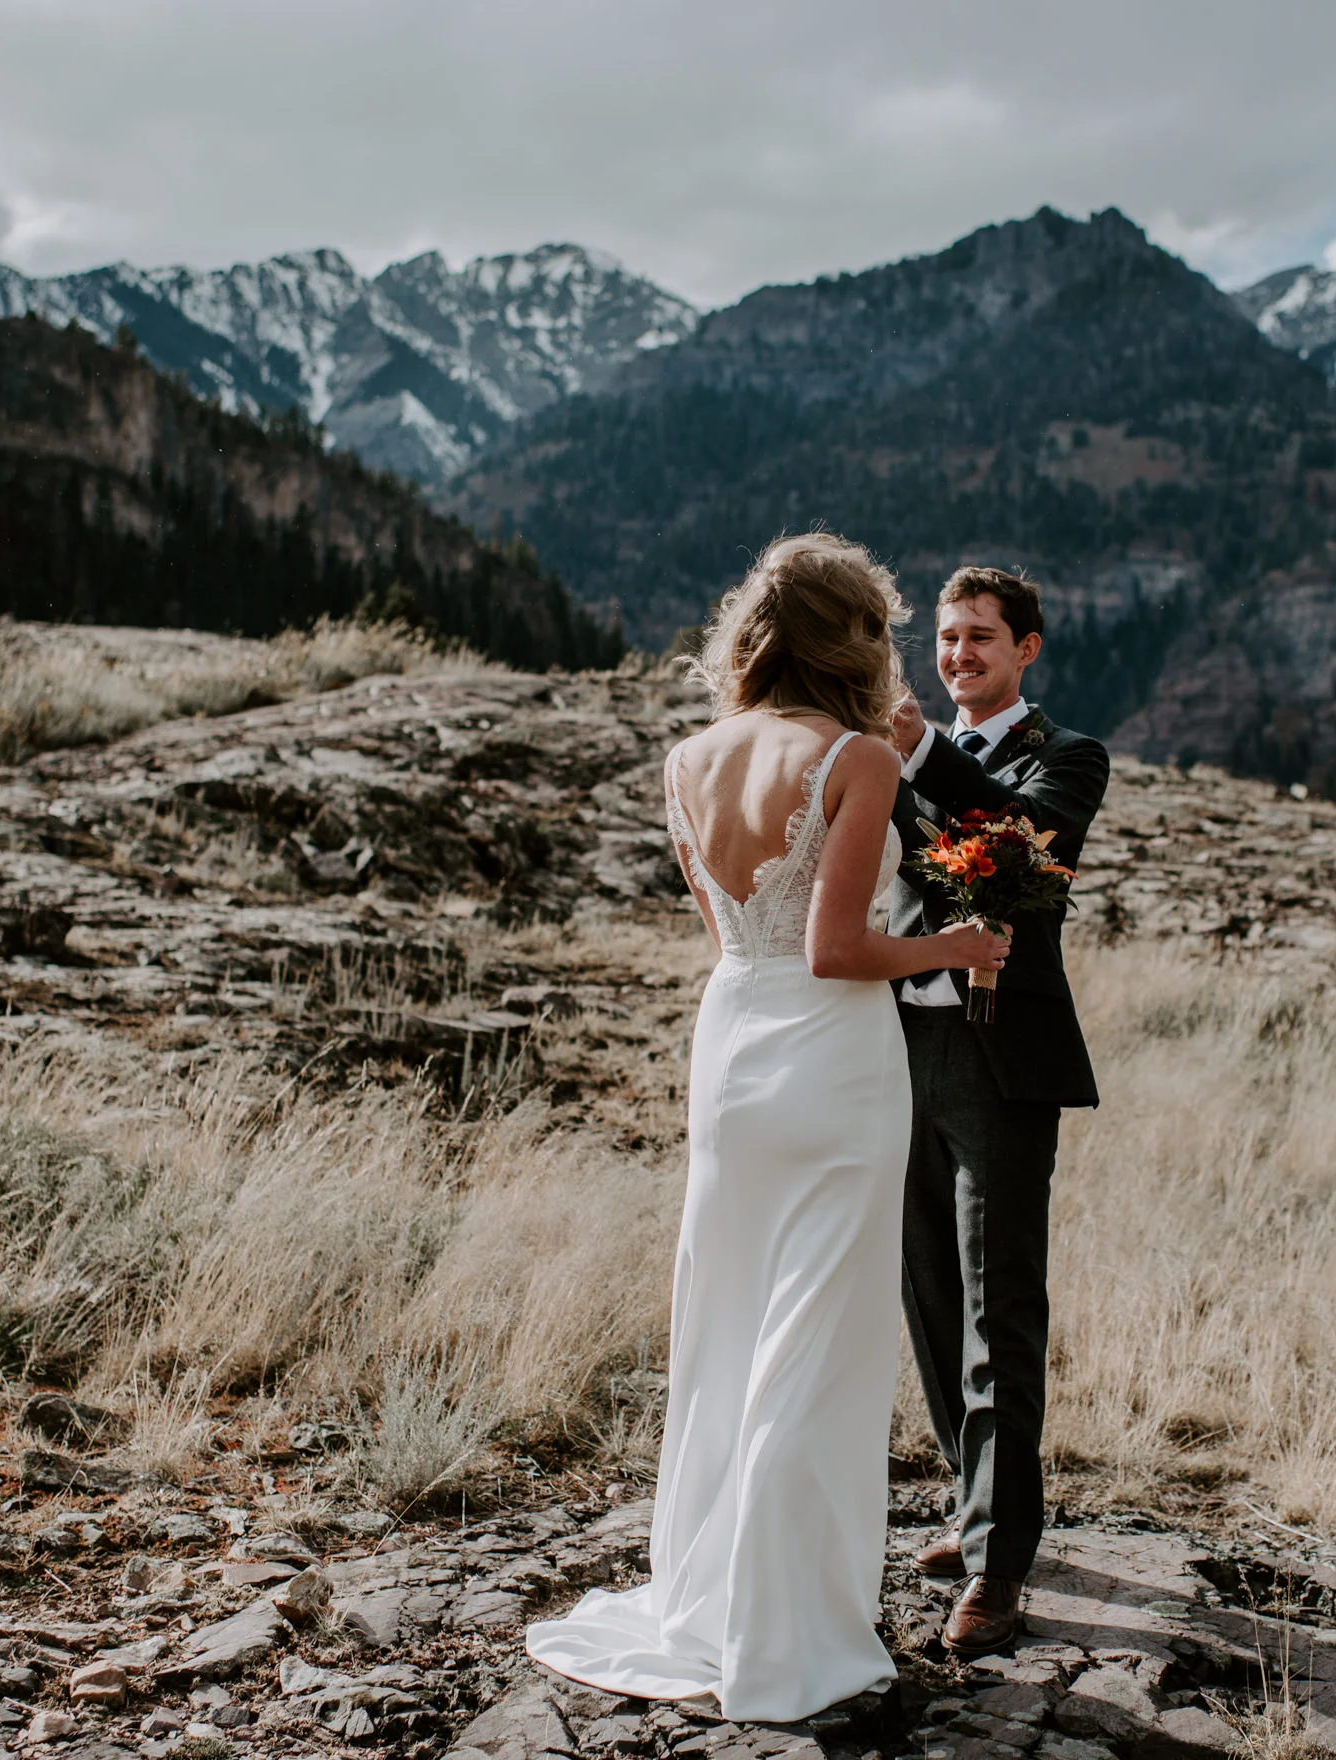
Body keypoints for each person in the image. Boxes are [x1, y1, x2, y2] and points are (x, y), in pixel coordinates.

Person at [525, 533, 1009, 1722]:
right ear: (851, 639)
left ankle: (704, 1591)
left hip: (732, 1043)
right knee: (821, 1335)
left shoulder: (690, 756)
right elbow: (836, 950)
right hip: (833, 1058)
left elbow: (738, 939)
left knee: (728, 1318)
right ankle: (787, 1627)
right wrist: (954, 945)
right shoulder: (854, 759)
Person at [886, 566, 1110, 1657]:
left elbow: (1030, 855)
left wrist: (920, 755)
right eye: (944, 636)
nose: (957, 653)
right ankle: (972, 1508)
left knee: (997, 1302)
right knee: (925, 1287)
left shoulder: (1068, 756)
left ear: (1027, 647)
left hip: (1000, 1055)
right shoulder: (894, 761)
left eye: (979, 637)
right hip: (894, 1044)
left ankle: (999, 1564)